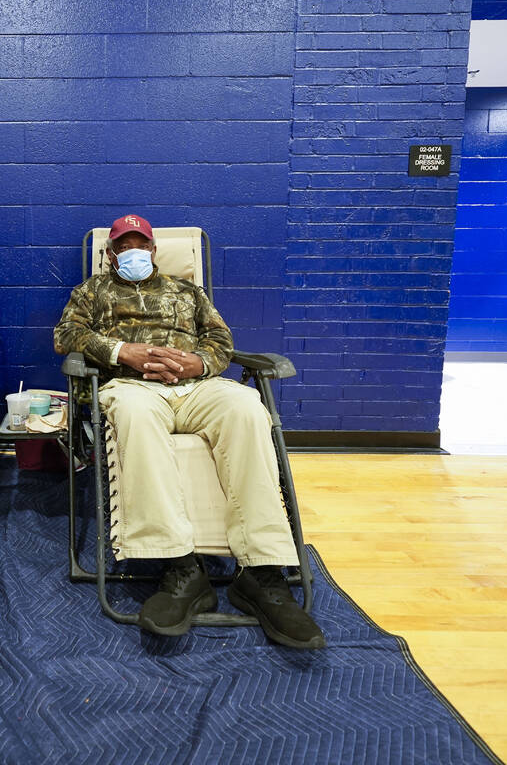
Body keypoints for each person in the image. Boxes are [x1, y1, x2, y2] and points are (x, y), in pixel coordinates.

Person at [54, 214, 324, 649]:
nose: (134, 251)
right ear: (110, 253)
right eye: (125, 246)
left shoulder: (187, 291)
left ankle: (263, 572)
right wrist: (126, 352)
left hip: (197, 386)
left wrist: (198, 363)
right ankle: (179, 567)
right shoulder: (92, 291)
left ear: (155, 251)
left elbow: (221, 340)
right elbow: (66, 335)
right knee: (134, 416)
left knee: (246, 408)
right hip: (133, 385)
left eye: (142, 244)